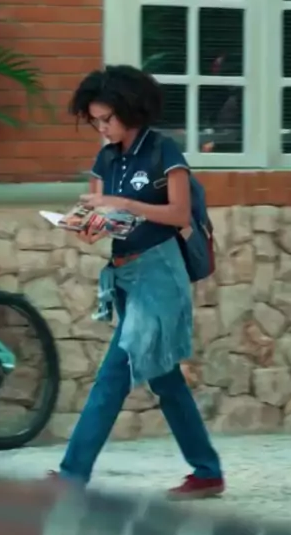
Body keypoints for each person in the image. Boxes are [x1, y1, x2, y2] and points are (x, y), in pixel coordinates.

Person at [49, 65, 224, 499]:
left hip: (160, 271)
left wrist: (124, 203)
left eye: (107, 119)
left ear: (130, 110)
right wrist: (87, 225)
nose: (101, 128)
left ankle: (72, 475)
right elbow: (99, 217)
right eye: (95, 120)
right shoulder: (105, 160)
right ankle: (207, 472)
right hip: (124, 272)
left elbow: (179, 214)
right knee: (164, 378)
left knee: (115, 372)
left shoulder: (164, 151)